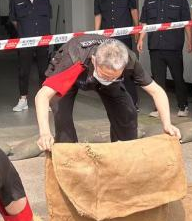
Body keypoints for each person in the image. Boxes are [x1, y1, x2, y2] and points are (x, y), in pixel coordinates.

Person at [35, 36, 182, 150]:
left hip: (103, 77)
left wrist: (167, 124)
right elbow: (42, 96)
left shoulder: (129, 60)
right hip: (74, 75)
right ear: (94, 61)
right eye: (105, 75)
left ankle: (123, 153)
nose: (109, 79)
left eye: (115, 76)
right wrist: (44, 133)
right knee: (61, 114)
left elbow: (157, 91)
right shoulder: (74, 59)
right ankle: (69, 158)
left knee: (127, 112)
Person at [137, 0, 192, 118]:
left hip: (174, 46)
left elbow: (187, 22)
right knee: (157, 80)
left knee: (178, 78)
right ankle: (158, 108)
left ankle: (183, 106)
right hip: (155, 46)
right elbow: (144, 22)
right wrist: (141, 39)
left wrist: (190, 40)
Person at [94, 0, 140, 109]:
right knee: (109, 70)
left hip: (124, 37)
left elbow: (133, 10)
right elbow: (98, 15)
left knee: (127, 69)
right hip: (108, 39)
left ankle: (133, 102)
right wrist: (97, 35)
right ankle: (115, 103)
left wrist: (137, 30)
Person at [9, 0, 52, 112]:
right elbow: (14, 19)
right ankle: (23, 100)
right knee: (23, 71)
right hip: (25, 40)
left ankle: (45, 100)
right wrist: (24, 30)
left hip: (43, 39)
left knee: (44, 70)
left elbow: (48, 16)